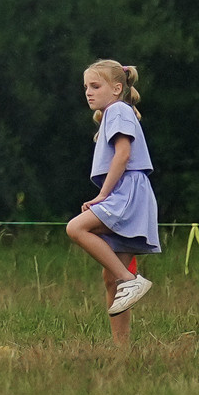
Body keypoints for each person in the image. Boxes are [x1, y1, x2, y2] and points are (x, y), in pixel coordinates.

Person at [64, 59, 159, 339]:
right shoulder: (113, 113)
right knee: (110, 278)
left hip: (126, 193)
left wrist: (102, 196)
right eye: (86, 87)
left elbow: (123, 155)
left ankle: (131, 280)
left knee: (76, 228)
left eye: (96, 85)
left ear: (117, 88)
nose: (88, 92)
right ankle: (122, 352)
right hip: (128, 193)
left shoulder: (117, 110)